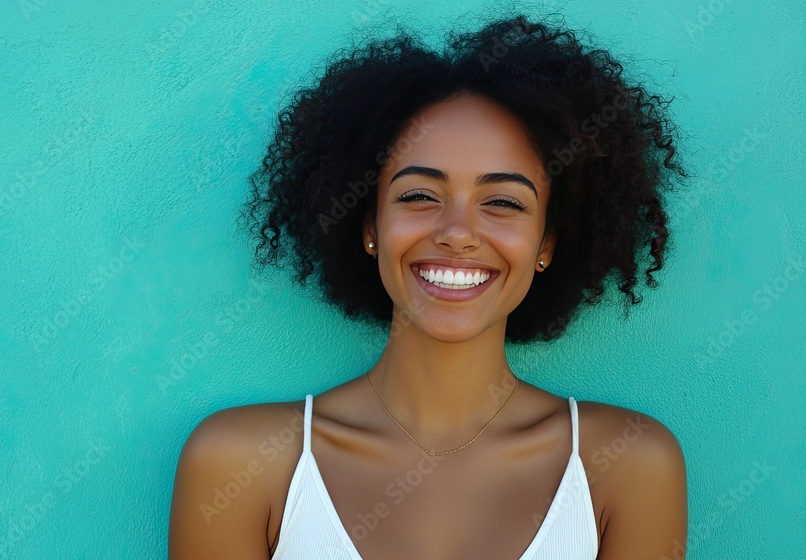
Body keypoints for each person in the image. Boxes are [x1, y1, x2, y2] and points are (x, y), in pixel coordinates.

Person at [169, 13, 689, 559]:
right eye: (419, 196)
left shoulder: (628, 466)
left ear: (546, 245)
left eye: (504, 202)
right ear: (369, 227)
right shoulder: (240, 463)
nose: (457, 233)